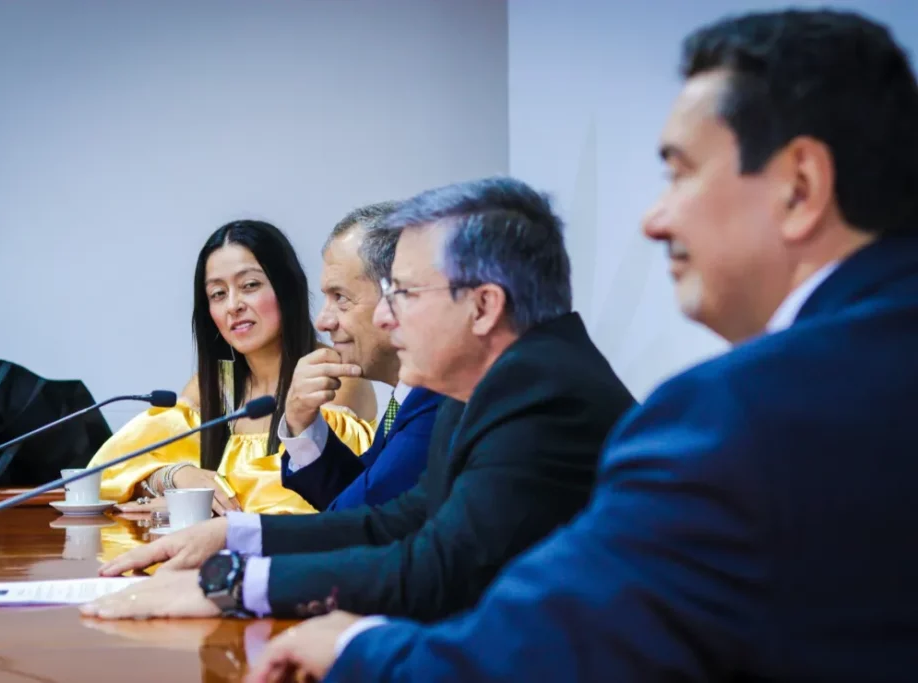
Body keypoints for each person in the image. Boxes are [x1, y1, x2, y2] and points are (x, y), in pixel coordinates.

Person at [244, 9, 918, 682]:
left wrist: (353, 646)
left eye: (680, 173)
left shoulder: (735, 412)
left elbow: (527, 649)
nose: (656, 220)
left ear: (799, 185)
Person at [79, 177, 635, 622]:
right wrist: (233, 534)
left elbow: (437, 568)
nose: (388, 319)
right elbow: (398, 521)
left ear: (484, 306)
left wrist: (232, 586)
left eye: (406, 295)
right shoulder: (496, 386)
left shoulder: (541, 398)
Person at [85, 220, 376, 516]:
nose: (233, 305)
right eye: (218, 294)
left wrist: (190, 502)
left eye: (250, 286)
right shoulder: (214, 385)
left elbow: (301, 494)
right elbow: (112, 469)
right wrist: (175, 476)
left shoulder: (331, 372)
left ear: (286, 287)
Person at [278, 201, 444, 511]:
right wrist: (302, 424)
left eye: (340, 298)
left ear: (400, 294)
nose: (323, 322)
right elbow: (359, 490)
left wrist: (236, 537)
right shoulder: (405, 397)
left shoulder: (440, 397)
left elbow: (357, 520)